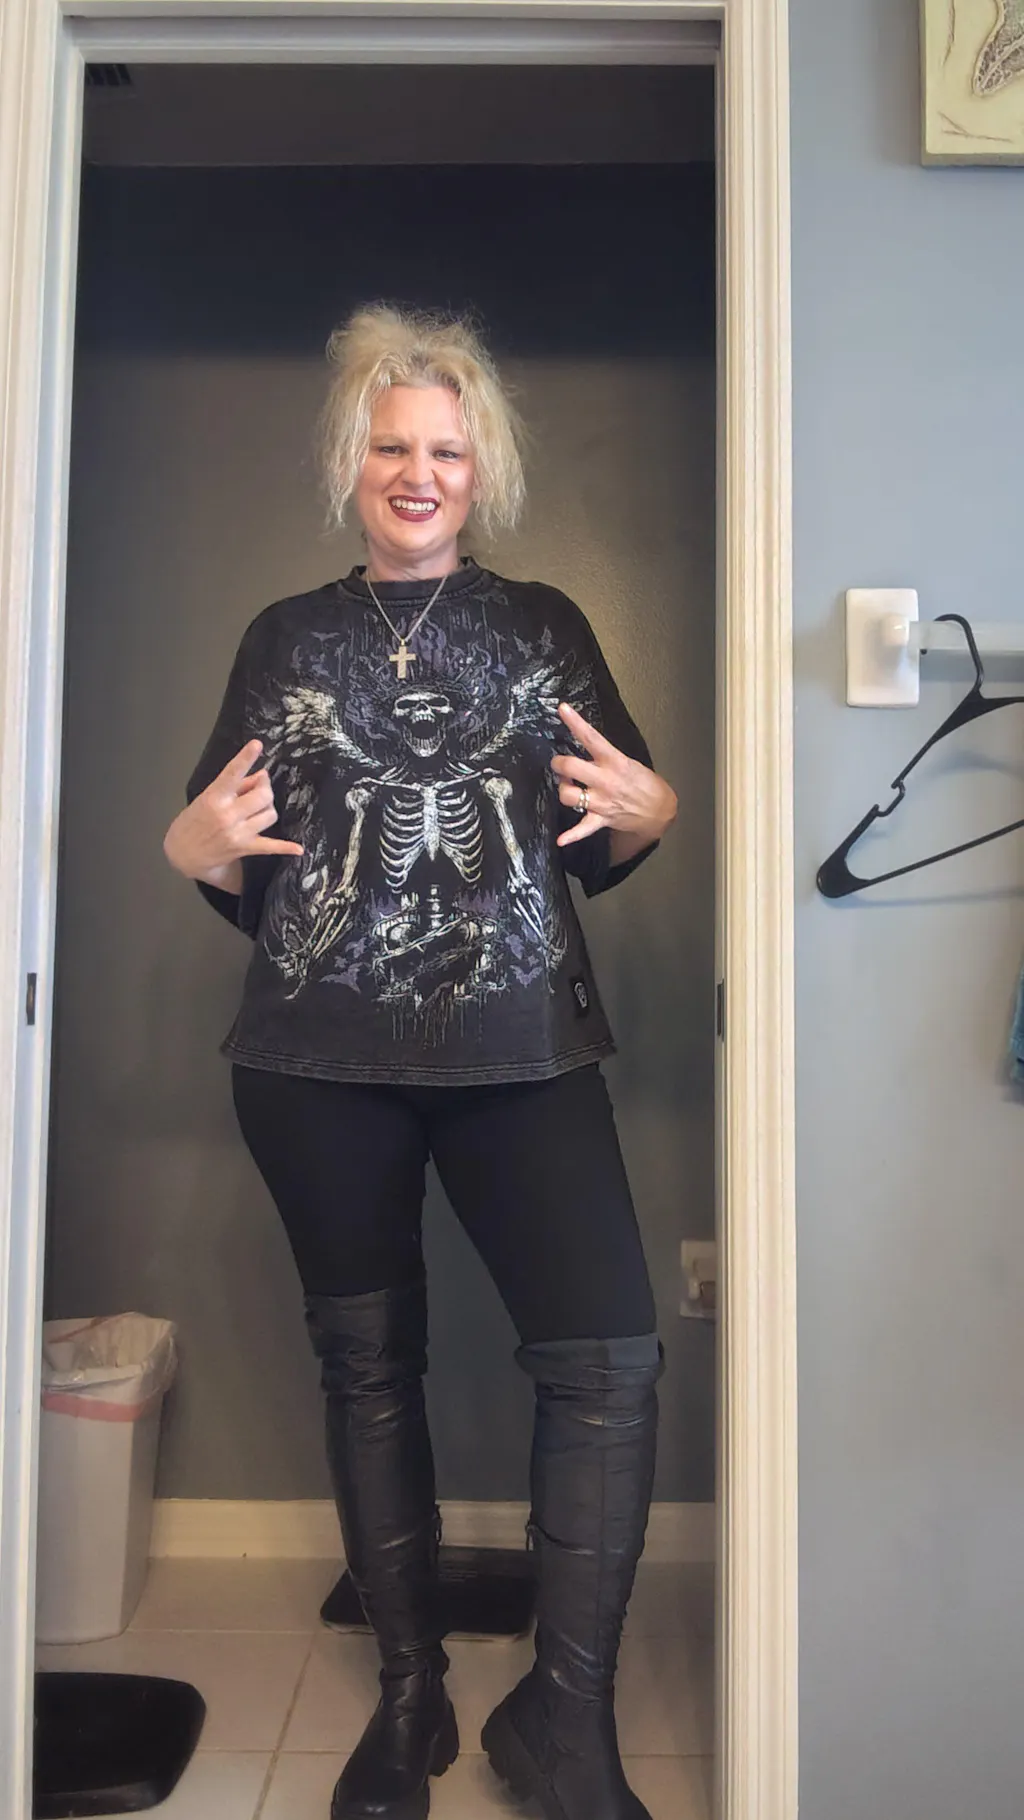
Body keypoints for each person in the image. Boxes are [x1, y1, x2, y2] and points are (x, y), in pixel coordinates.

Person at [163, 303, 678, 1820]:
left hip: (524, 1049)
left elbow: (606, 827)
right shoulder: (284, 638)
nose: (417, 473)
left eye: (446, 450)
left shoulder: (544, 625)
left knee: (608, 1365)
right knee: (371, 1365)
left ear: (481, 469)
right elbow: (238, 857)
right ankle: (412, 1694)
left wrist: (656, 815)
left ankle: (565, 1719)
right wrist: (189, 848)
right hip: (313, 1062)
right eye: (391, 446)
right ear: (351, 461)